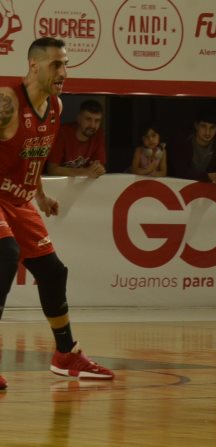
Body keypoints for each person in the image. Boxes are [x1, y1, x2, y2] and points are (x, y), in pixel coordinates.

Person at [0, 37, 115, 390]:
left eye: (66, 64)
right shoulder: (7, 102)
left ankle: (66, 354)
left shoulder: (57, 107)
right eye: (56, 65)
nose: (64, 72)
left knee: (52, 271)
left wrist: (41, 193)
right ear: (34, 65)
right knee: (5, 256)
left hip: (19, 201)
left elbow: (31, 157)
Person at [169, 109, 216, 188]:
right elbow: (180, 171)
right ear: (196, 125)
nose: (207, 132)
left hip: (206, 194)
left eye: (212, 127)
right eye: (203, 126)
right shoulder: (183, 142)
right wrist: (208, 177)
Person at [46, 99, 106, 178]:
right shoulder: (63, 133)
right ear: (79, 118)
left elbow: (98, 167)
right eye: (88, 119)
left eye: (97, 121)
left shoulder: (97, 134)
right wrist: (84, 172)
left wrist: (98, 169)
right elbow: (52, 170)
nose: (93, 125)